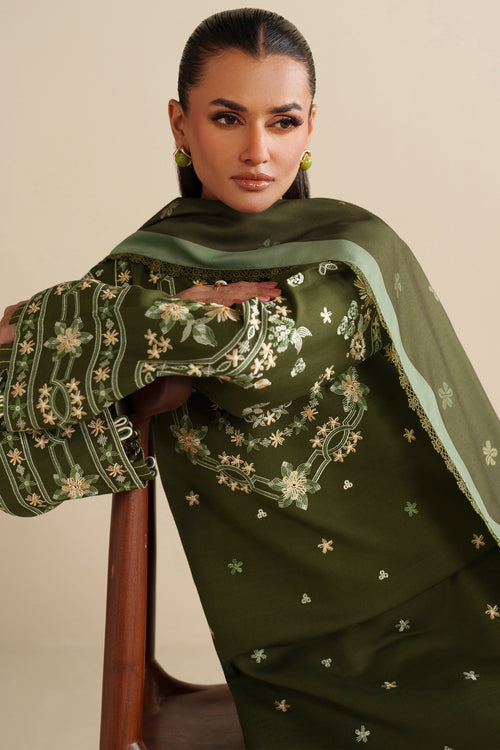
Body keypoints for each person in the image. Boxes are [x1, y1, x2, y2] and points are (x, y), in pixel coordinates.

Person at [0, 8, 499, 749]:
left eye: (283, 121)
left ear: (310, 127)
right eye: (228, 118)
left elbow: (254, 357)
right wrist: (172, 311)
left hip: (451, 600)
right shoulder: (148, 263)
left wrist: (109, 321)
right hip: (293, 655)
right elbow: (14, 394)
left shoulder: (350, 255)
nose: (258, 151)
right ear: (181, 123)